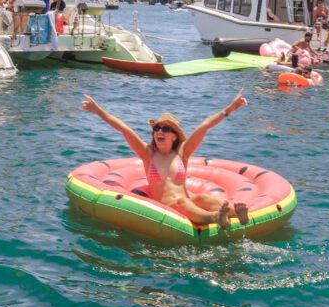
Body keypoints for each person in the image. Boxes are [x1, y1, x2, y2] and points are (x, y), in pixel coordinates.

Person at [81, 90, 250, 228]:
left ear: (175, 137)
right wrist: (98, 110)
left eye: (166, 129)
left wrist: (231, 108)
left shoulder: (182, 153)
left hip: (186, 202)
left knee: (200, 199)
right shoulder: (147, 153)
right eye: (157, 128)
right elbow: (124, 129)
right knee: (181, 202)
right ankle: (215, 217)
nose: (160, 131)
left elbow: (204, 127)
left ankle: (235, 211)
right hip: (168, 208)